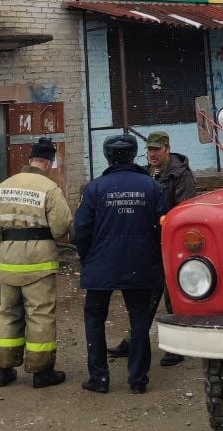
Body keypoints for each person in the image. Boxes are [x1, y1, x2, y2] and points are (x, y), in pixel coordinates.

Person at [73, 132, 166, 394]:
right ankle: (137, 380)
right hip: (140, 263)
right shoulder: (151, 187)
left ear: (108, 157)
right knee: (139, 319)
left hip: (101, 264)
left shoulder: (95, 189)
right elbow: (162, 228)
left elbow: (81, 230)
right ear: (133, 154)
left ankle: (99, 379)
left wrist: (87, 258)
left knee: (94, 318)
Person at [0, 137, 73, 389]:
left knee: (8, 313)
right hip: (38, 261)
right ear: (48, 163)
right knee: (39, 314)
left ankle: (4, 369)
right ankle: (41, 371)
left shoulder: (3, 186)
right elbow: (61, 227)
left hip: (7, 259)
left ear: (30, 160)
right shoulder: (49, 188)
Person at [108, 130, 197, 366]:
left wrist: (163, 221)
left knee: (173, 297)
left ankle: (176, 346)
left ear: (167, 148)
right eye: (149, 149)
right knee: (145, 296)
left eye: (157, 149)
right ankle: (134, 340)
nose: (152, 154)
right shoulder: (146, 173)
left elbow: (184, 211)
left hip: (172, 245)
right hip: (150, 244)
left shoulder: (180, 175)